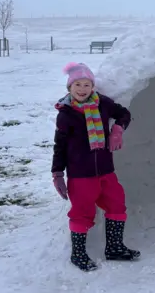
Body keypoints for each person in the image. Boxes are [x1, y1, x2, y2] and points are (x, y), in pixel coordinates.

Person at [50, 62, 140, 272]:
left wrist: (117, 129)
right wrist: (57, 174)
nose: (82, 89)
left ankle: (115, 247)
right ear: (69, 88)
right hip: (81, 174)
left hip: (106, 170)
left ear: (93, 86)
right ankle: (78, 253)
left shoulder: (102, 103)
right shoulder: (66, 114)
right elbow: (59, 146)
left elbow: (123, 113)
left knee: (117, 204)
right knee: (82, 212)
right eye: (77, 85)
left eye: (87, 84)